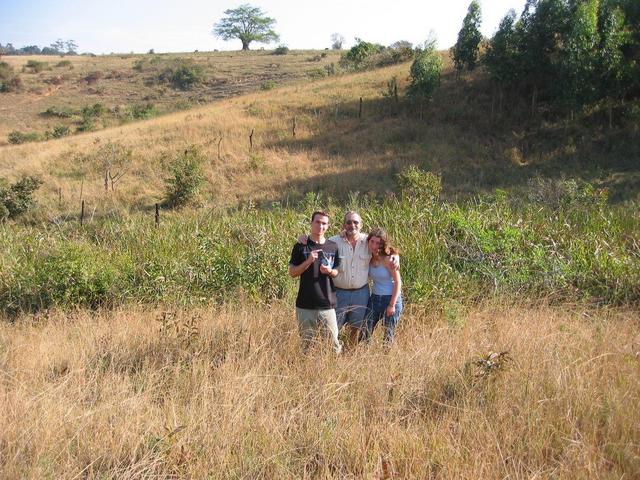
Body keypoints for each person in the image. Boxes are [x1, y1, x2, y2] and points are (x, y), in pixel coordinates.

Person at [298, 211, 398, 343]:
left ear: (361, 224)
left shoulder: (368, 242)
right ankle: (331, 351)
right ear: (344, 225)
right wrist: (302, 238)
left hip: (361, 293)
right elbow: (317, 241)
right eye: (349, 222)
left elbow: (384, 248)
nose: (352, 225)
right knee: (334, 327)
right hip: (339, 292)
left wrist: (396, 256)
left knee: (356, 326)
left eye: (355, 222)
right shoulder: (333, 242)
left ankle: (350, 349)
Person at [288, 211, 342, 353]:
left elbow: (337, 271)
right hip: (305, 304)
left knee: (333, 345)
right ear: (311, 223)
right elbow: (292, 273)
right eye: (317, 222)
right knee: (306, 345)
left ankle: (332, 371)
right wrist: (308, 261)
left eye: (324, 223)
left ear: (328, 226)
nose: (320, 226)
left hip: (327, 304)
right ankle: (306, 372)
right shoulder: (301, 246)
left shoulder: (333, 246)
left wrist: (329, 271)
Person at [363, 228, 403, 344]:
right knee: (366, 331)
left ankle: (385, 360)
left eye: (378, 243)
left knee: (388, 335)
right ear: (368, 241)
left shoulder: (388, 259)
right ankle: (364, 358)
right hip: (375, 298)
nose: (374, 245)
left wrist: (392, 305)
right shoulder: (368, 258)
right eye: (372, 242)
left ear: (383, 244)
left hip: (390, 298)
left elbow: (397, 282)